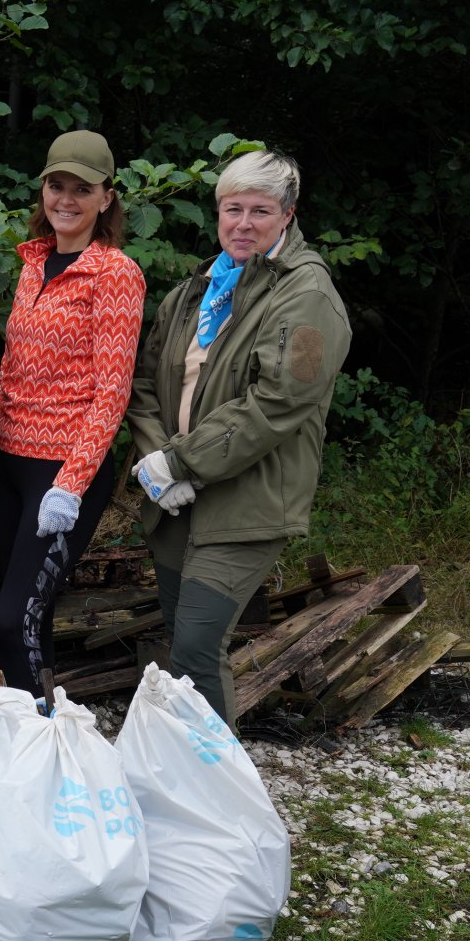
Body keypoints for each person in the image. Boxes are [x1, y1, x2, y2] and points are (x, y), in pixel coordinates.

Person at [127, 148, 351, 726]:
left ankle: (218, 801)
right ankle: (184, 781)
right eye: (233, 210)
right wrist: (156, 460)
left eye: (260, 211)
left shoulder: (308, 296)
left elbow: (280, 401)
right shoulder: (195, 291)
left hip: (247, 499)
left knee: (199, 647)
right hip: (175, 497)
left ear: (288, 215)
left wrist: (181, 462)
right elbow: (146, 382)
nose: (243, 224)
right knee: (181, 644)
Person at [0, 131, 147, 692]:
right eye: (57, 185)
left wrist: (72, 484)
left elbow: (112, 391)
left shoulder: (115, 273)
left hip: (61, 474)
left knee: (10, 620)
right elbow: (8, 371)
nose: (67, 199)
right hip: (9, 463)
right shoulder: (34, 262)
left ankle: (37, 743)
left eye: (83, 188)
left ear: (107, 198)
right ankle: (31, 736)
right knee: (32, 614)